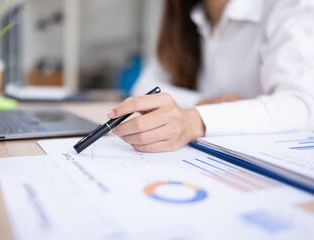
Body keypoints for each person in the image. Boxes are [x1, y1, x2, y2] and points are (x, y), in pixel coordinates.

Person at [107, 0, 314, 153]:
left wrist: (195, 120)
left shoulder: (290, 6)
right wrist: (205, 103)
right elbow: (144, 86)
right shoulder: (188, 14)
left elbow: (301, 105)